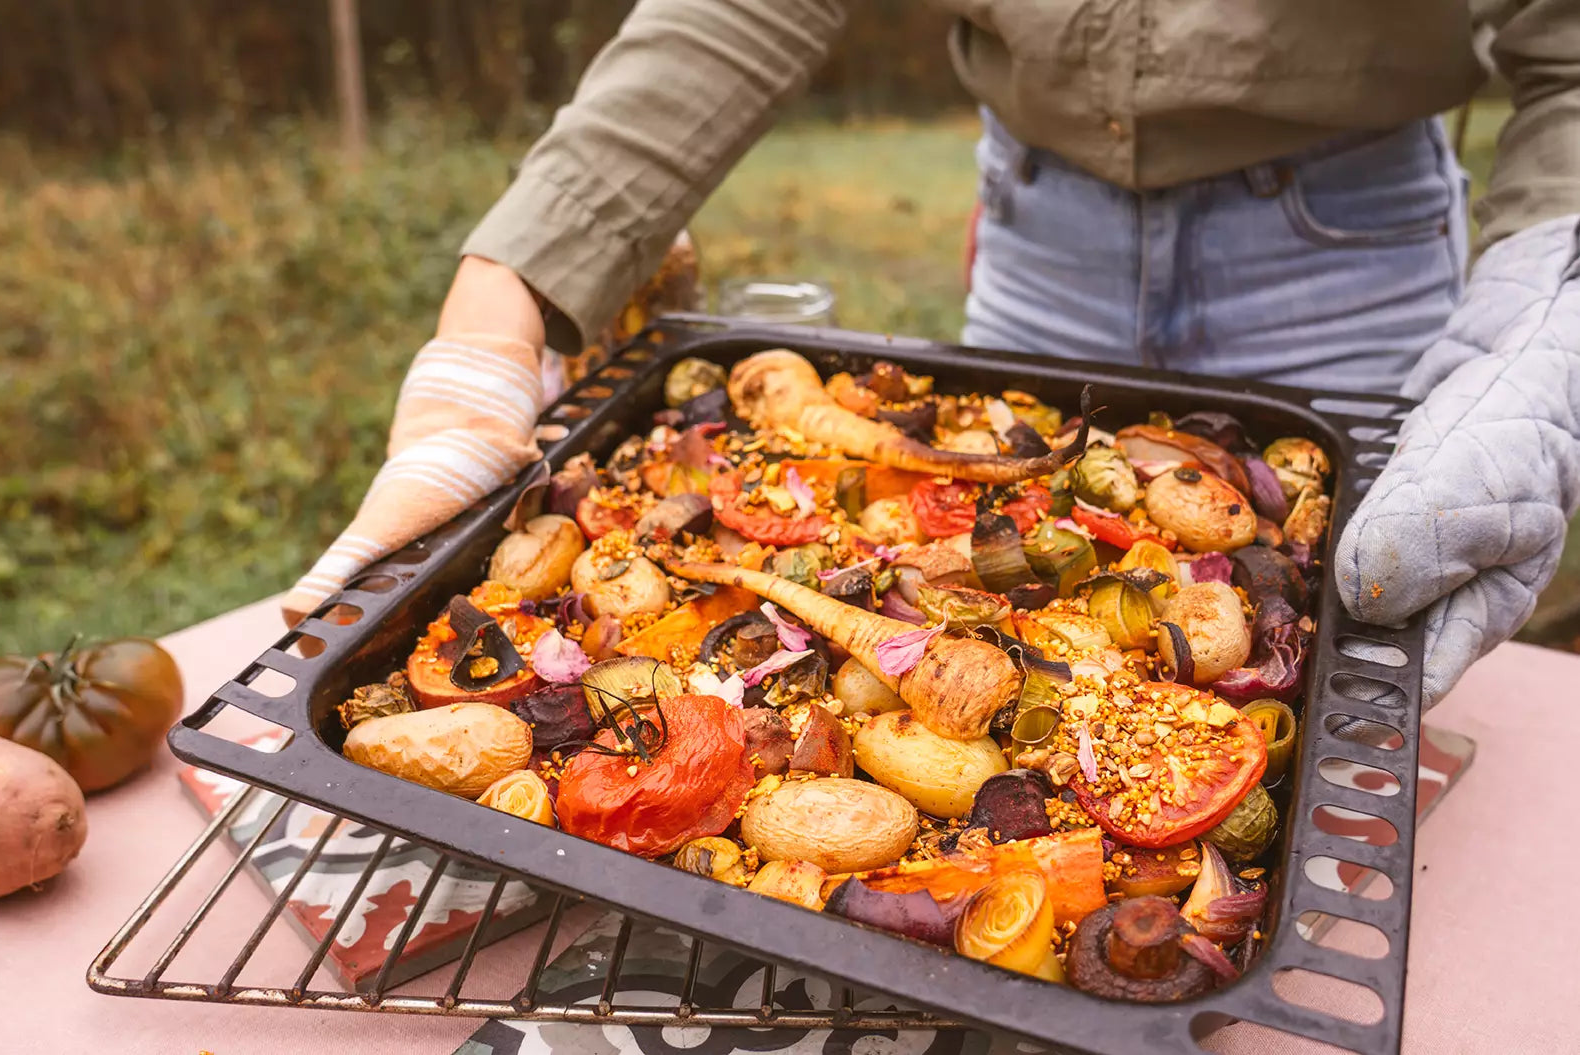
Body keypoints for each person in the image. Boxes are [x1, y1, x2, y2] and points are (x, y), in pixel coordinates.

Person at [283, 0, 1580, 712]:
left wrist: (1539, 329)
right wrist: (493, 321)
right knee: (982, 612)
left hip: (1348, 250)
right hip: (1042, 228)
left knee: (1353, 668)